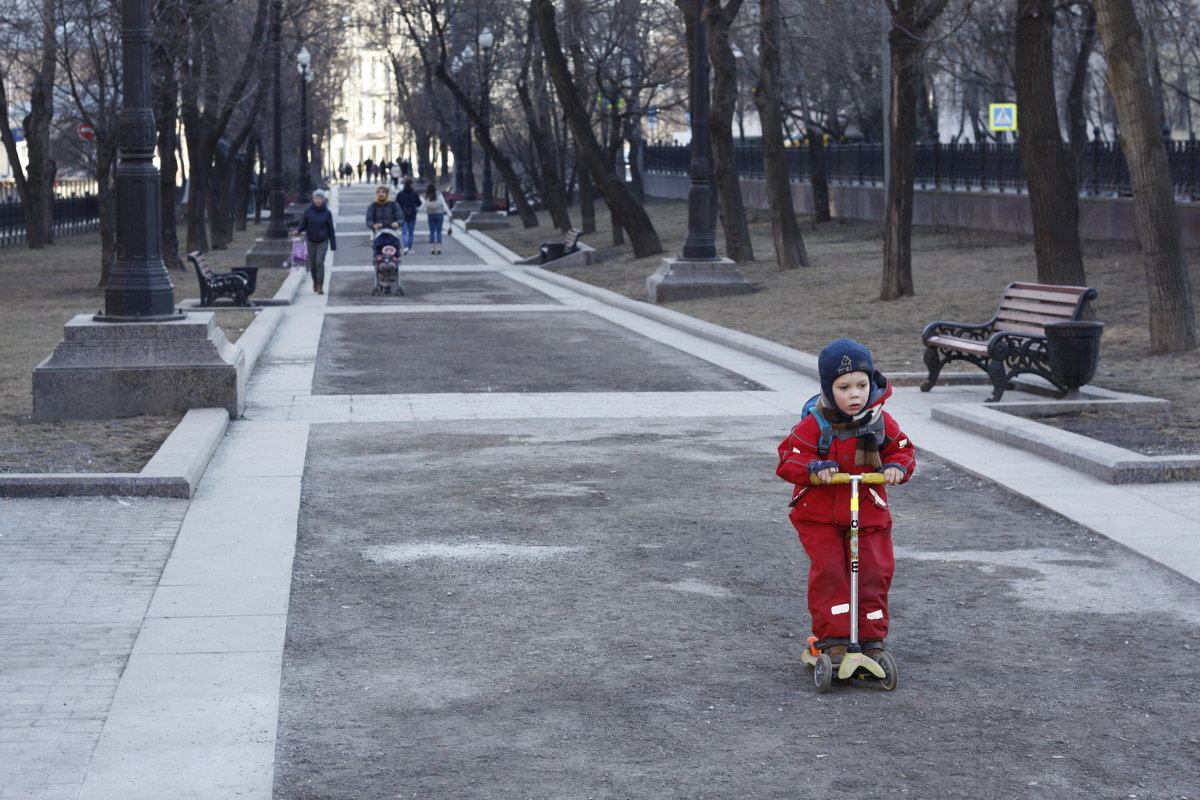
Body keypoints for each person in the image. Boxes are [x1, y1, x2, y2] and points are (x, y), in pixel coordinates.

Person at [775, 339, 915, 665]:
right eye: (844, 387)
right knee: (832, 573)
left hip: (868, 510)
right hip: (820, 516)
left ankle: (870, 636)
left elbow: (903, 450)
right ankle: (834, 636)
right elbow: (788, 458)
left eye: (862, 385)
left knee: (874, 571)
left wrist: (896, 467)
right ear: (828, 388)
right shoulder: (816, 422)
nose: (855, 394)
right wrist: (814, 468)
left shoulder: (879, 420)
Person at [295, 188, 336, 294]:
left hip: (323, 241)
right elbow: (303, 225)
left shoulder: (327, 213)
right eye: (316, 198)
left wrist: (333, 244)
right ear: (313, 199)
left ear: (323, 200)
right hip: (311, 241)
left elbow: (331, 229)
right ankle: (315, 281)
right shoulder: (308, 211)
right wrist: (298, 230)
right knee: (312, 264)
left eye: (320, 198)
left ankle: (320, 285)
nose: (318, 200)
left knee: (319, 263)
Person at [366, 184, 402, 249]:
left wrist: (397, 223)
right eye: (379, 192)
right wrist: (373, 225)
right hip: (378, 233)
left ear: (387, 194)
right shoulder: (373, 205)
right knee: (378, 253)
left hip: (392, 233)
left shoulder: (394, 205)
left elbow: (401, 218)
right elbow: (369, 220)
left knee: (395, 252)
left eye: (383, 192)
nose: (380, 194)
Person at [394, 177, 422, 254]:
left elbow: (396, 204)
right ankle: (409, 248)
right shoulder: (415, 194)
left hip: (403, 215)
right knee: (411, 232)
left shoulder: (400, 194)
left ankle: (406, 247)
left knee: (404, 232)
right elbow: (419, 203)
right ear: (410, 184)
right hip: (412, 214)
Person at [423, 183, 447, 254]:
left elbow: (424, 206)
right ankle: (439, 248)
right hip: (439, 214)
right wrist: (449, 213)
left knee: (432, 232)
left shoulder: (427, 196)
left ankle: (432, 248)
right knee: (439, 231)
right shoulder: (439, 195)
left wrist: (418, 210)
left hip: (431, 215)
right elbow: (444, 204)